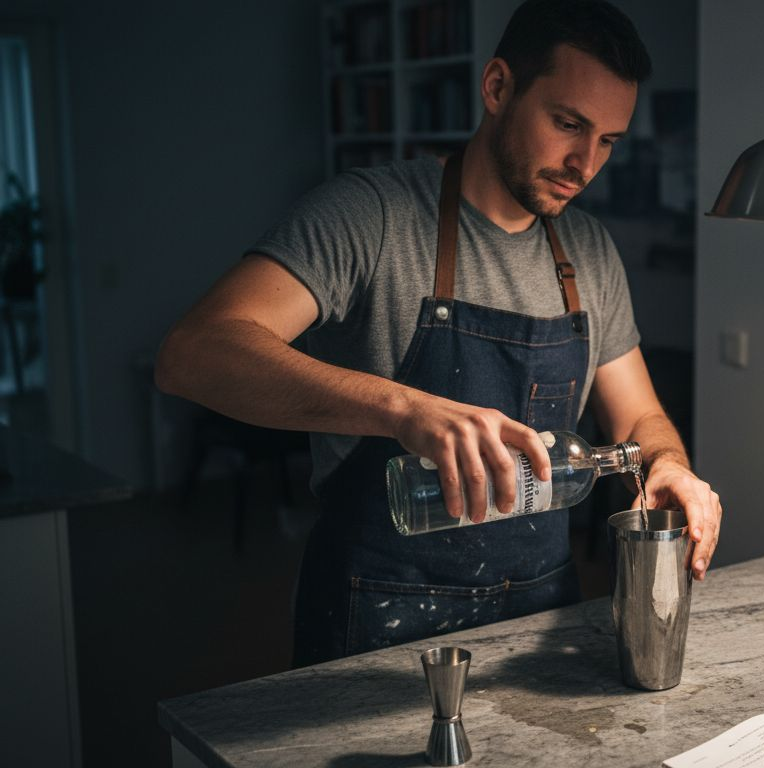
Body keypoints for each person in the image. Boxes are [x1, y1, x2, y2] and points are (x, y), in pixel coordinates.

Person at [155, 0, 722, 666]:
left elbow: (642, 417)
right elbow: (193, 353)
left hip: (537, 620)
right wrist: (403, 409)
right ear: (497, 87)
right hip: (377, 617)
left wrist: (670, 467)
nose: (584, 163)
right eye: (568, 123)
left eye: (607, 141)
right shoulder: (369, 215)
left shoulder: (589, 251)